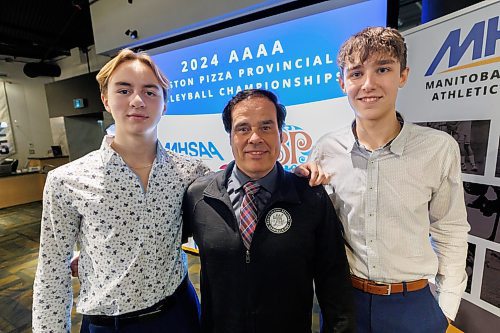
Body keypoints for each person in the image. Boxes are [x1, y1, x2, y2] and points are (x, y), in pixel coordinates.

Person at [296, 27, 470, 333]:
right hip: (345, 300)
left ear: (403, 76)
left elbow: (450, 230)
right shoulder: (326, 149)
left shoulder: (438, 148)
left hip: (413, 304)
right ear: (342, 83)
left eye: (383, 69)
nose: (368, 84)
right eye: (356, 73)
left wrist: (446, 308)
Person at [32, 49, 209, 333]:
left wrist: (304, 173)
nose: (137, 100)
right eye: (124, 90)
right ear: (105, 98)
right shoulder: (66, 180)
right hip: (109, 324)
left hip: (180, 314)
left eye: (150, 92)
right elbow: (52, 272)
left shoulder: (191, 171)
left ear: (164, 103)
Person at [182, 89, 355, 333]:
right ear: (230, 136)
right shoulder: (199, 196)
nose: (255, 138)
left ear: (281, 135)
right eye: (243, 128)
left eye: (266, 127)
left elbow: (334, 282)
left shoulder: (309, 196)